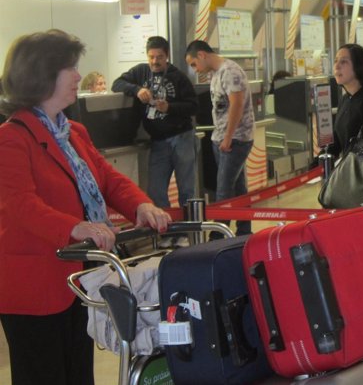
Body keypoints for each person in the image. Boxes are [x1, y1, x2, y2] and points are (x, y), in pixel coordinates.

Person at [0, 30, 171, 385]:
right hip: (34, 288)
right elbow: (17, 203)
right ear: (42, 74)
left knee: (79, 373)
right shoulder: (11, 138)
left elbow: (107, 180)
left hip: (79, 279)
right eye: (69, 67)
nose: (79, 75)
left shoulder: (73, 132)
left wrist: (141, 204)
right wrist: (75, 227)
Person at [112, 36, 199, 211]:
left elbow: (193, 106)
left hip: (181, 137)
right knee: (155, 191)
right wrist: (137, 90)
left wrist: (170, 108)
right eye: (151, 57)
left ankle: (189, 234)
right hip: (158, 141)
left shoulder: (178, 77)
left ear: (166, 56)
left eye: (159, 57)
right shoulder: (141, 72)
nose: (155, 61)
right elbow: (117, 84)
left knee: (187, 191)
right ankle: (167, 232)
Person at [185, 41, 254, 235]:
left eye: (193, 64)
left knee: (224, 189)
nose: (195, 69)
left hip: (235, 139)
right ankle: (244, 231)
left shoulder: (230, 71)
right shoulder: (216, 74)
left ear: (201, 55)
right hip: (224, 138)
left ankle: (218, 235)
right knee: (239, 189)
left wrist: (228, 138)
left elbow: (237, 104)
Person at [326, 43, 363, 160]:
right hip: (347, 170)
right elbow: (336, 142)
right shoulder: (345, 99)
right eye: (336, 61)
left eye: (343, 62)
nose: (336, 66)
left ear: (358, 66)